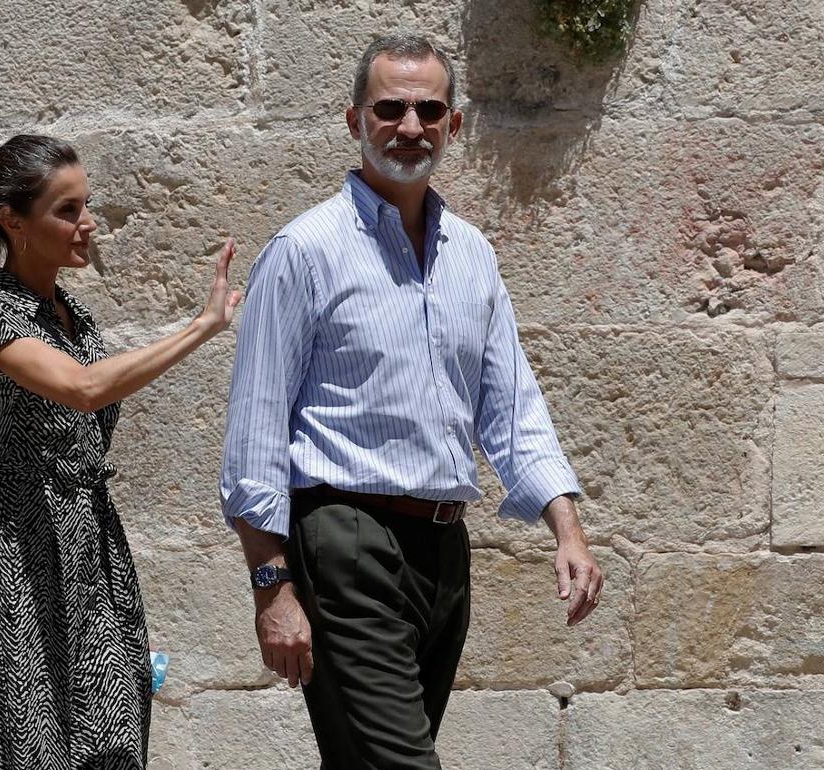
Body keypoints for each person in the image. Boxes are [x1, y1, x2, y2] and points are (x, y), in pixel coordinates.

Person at [221, 34, 603, 769]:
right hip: (344, 539)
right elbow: (256, 430)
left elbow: (511, 404)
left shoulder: (473, 255)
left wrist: (567, 529)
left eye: (429, 110)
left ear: (453, 125)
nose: (409, 127)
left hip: (442, 551)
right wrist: (271, 584)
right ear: (354, 120)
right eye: (389, 108)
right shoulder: (305, 251)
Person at [0, 134, 241, 769]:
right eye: (67, 210)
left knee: (113, 746)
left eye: (86, 206)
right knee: (32, 753)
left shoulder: (73, 315)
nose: (87, 224)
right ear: (13, 222)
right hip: (19, 561)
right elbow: (82, 390)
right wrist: (201, 327)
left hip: (93, 555)